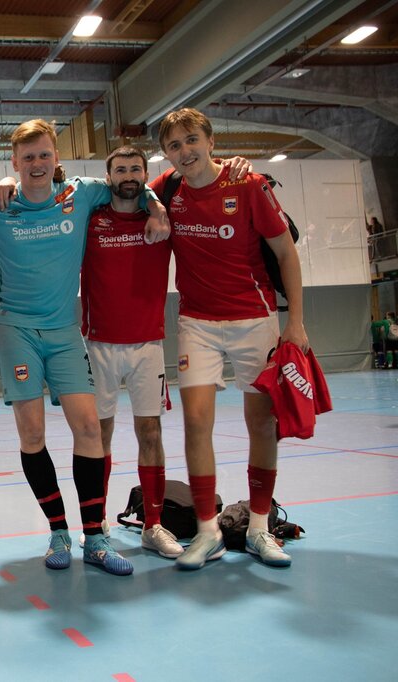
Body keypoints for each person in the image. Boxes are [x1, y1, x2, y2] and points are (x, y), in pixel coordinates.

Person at [0, 120, 171, 576]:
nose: (37, 164)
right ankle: (58, 531)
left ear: (56, 158)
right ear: (15, 162)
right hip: (15, 329)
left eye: (44, 155)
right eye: (28, 158)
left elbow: (133, 185)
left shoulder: (83, 193)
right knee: (32, 434)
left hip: (64, 330)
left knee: (89, 427)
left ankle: (95, 537)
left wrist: (156, 206)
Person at [152, 107, 307, 570]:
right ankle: (207, 532)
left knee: (261, 424)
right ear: (166, 154)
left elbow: (286, 253)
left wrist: (296, 322)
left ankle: (258, 527)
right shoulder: (167, 191)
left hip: (254, 320)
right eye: (174, 145)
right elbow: (118, 189)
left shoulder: (249, 185)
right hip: (197, 323)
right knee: (196, 423)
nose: (185, 151)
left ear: (211, 142)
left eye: (191, 140)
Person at [78, 146, 182, 559]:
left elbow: (186, 172)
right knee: (98, 435)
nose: (128, 175)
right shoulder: (90, 219)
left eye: (135, 169)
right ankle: (97, 522)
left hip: (148, 345)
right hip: (99, 344)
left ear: (144, 174)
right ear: (108, 177)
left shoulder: (161, 220)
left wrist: (156, 205)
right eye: (119, 169)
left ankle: (153, 524)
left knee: (150, 432)